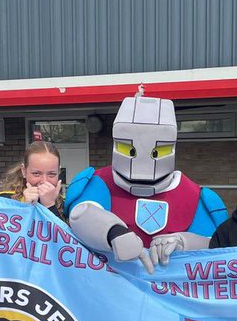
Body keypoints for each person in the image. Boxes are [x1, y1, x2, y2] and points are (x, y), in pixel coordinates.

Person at [67, 96, 228, 272]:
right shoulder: (99, 183)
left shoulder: (195, 196)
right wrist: (112, 231)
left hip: (167, 292)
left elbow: (214, 244)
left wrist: (183, 241)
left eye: (158, 151)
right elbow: (81, 213)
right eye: (128, 150)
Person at [0, 140, 65, 217]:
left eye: (51, 174)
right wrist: (25, 208)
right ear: (24, 171)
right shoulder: (3, 200)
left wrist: (50, 206)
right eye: (36, 174)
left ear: (59, 172)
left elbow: (63, 229)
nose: (44, 181)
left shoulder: (68, 204)